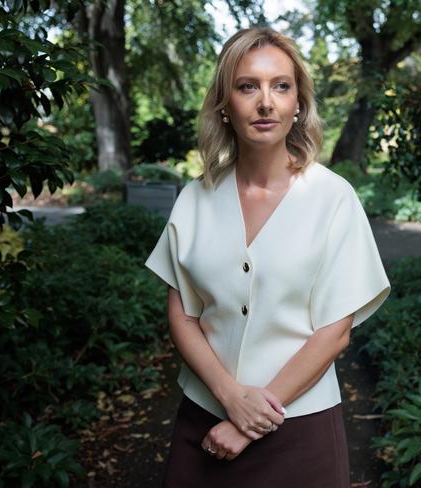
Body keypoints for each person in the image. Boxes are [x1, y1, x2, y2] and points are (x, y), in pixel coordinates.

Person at [144, 25, 391, 488]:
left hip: (302, 433)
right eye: (247, 86)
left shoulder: (333, 198)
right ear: (224, 101)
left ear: (298, 103)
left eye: (281, 86)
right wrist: (230, 398)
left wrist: (248, 420)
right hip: (203, 425)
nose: (265, 102)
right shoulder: (194, 199)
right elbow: (182, 316)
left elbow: (335, 331)